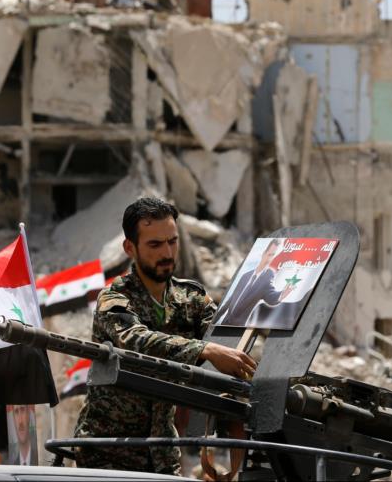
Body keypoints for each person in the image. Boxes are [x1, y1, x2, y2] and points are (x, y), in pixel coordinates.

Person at [73, 197, 256, 475]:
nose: (167, 253)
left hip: (162, 453)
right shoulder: (114, 299)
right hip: (108, 453)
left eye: (172, 241)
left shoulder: (191, 298)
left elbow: (226, 339)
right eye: (155, 245)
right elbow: (137, 341)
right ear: (130, 248)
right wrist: (204, 350)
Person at [216, 239, 295, 327]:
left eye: (273, 256)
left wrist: (284, 293)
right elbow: (230, 300)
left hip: (238, 327)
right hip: (224, 323)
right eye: (269, 254)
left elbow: (272, 298)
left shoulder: (267, 278)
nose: (270, 259)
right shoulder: (245, 275)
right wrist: (215, 319)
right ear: (264, 253)